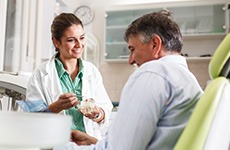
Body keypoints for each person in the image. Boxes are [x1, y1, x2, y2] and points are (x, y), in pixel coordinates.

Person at [58, 10, 204, 150]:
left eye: (132, 49)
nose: (130, 60)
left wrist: (57, 147)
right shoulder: (187, 78)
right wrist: (94, 142)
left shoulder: (153, 73)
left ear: (155, 44)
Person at [26, 13, 113, 140]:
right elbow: (31, 120)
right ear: (56, 42)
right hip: (56, 143)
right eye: (71, 40)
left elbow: (106, 108)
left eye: (82, 38)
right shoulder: (41, 74)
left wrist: (97, 114)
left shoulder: (91, 71)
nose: (79, 45)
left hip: (89, 144)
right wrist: (56, 107)